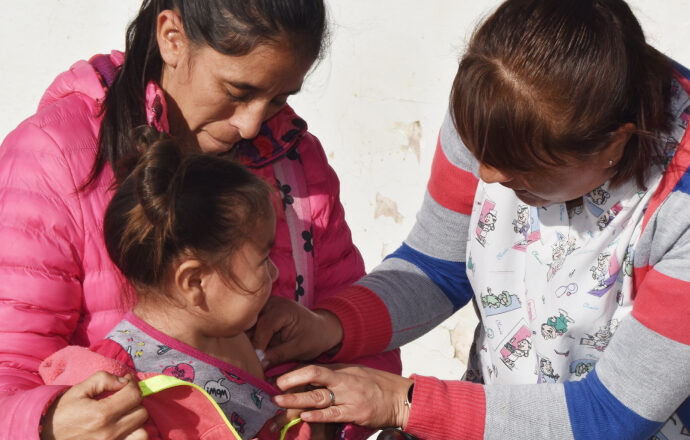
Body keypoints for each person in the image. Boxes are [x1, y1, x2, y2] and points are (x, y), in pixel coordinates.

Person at [256, 0, 690, 438]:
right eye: (479, 153)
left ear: (613, 146)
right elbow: (436, 266)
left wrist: (403, 404)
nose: (485, 175)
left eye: (521, 176)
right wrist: (329, 326)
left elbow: (612, 417)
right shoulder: (497, 104)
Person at [0, 1, 399, 438]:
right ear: (172, 37)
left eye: (278, 98)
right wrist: (50, 423)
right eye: (237, 91)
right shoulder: (54, 157)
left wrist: (329, 415)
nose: (251, 125)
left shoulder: (297, 160)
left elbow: (364, 346)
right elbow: (10, 365)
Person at [41, 129, 285, 439]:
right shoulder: (118, 387)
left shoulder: (235, 334)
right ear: (194, 281)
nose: (276, 273)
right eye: (264, 260)